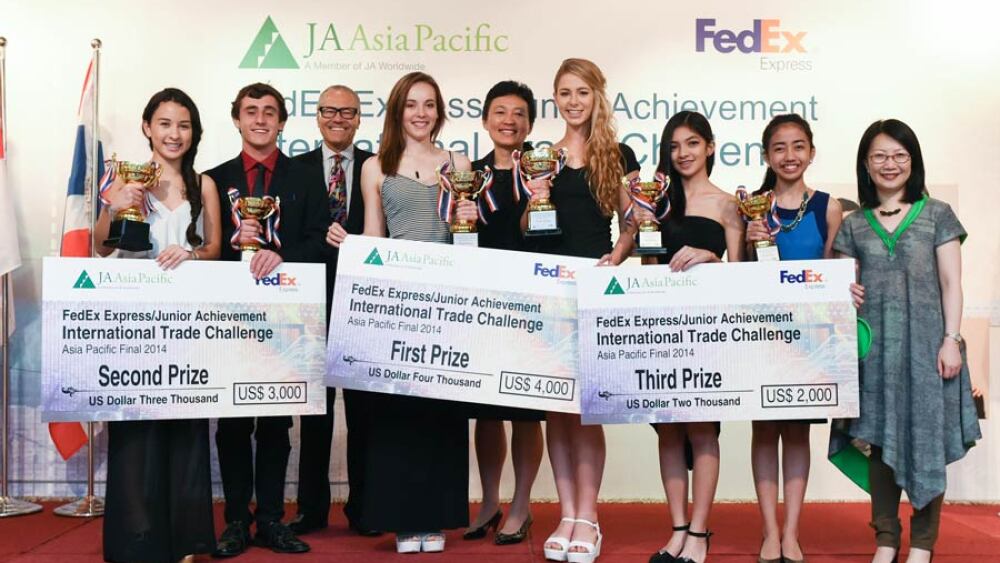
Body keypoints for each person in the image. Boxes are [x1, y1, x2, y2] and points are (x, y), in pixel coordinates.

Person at [828, 119, 980, 563]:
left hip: (929, 350)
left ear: (913, 161)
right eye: (879, 156)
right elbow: (842, 288)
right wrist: (844, 292)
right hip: (875, 353)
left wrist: (951, 339)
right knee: (878, 441)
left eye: (899, 155)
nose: (889, 164)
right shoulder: (854, 226)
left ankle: (922, 544)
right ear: (866, 164)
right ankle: (886, 539)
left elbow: (951, 284)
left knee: (927, 439)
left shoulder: (938, 215)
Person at [347, 71, 479, 554]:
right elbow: (374, 237)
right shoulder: (374, 167)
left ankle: (436, 518)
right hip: (397, 305)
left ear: (439, 111)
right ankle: (404, 520)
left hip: (448, 303)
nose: (421, 113)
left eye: (429, 104)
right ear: (397, 111)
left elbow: (467, 243)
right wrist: (353, 251)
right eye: (411, 104)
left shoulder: (458, 163)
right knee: (399, 414)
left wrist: (469, 224)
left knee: (442, 414)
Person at [95, 87, 221, 563]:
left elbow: (215, 249)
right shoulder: (122, 177)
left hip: (188, 325)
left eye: (183, 125)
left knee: (186, 431)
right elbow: (100, 247)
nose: (174, 134)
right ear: (147, 127)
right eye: (165, 123)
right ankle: (137, 542)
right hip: (134, 325)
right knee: (136, 433)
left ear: (194, 133)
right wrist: (114, 205)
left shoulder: (204, 184)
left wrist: (191, 254)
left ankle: (186, 542)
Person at [206, 82, 327, 557]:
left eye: (269, 112)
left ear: (282, 122)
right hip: (231, 321)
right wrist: (231, 249)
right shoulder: (214, 179)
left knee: (277, 424)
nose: (260, 119)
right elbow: (206, 250)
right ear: (236, 119)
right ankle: (236, 521)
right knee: (233, 425)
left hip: (285, 320)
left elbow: (320, 240)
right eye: (251, 111)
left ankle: (272, 520)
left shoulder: (305, 178)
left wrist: (283, 256)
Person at [532, 58, 640, 563]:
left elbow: (634, 222)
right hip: (551, 292)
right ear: (555, 98)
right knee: (556, 408)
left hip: (594, 293)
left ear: (597, 95)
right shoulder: (542, 157)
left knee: (585, 410)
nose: (573, 102)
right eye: (565, 93)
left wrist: (614, 259)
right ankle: (566, 513)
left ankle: (589, 517)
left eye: (582, 92)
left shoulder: (618, 155)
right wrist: (534, 197)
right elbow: (530, 229)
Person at [639, 111, 744, 563]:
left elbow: (741, 275)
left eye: (693, 143)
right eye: (674, 146)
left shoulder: (728, 204)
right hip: (659, 327)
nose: (683, 153)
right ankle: (678, 529)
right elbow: (647, 266)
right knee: (666, 430)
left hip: (706, 330)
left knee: (702, 430)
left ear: (710, 146)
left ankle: (700, 532)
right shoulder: (655, 202)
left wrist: (712, 259)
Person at [745, 114, 843, 563]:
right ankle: (769, 531)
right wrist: (750, 243)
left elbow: (833, 273)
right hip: (760, 335)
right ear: (767, 155)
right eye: (780, 147)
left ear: (811, 152)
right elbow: (736, 277)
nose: (789, 156)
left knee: (798, 433)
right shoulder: (751, 206)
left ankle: (791, 533)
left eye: (798, 146)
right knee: (765, 432)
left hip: (808, 340)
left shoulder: (827, 207)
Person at [287, 84, 378, 537]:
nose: (338, 118)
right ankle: (311, 509)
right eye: (329, 110)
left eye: (348, 112)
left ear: (359, 118)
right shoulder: (296, 169)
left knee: (364, 414)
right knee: (315, 414)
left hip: (364, 306)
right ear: (317, 116)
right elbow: (288, 239)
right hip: (312, 302)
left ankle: (365, 508)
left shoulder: (378, 166)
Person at [463, 80, 544, 546]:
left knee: (525, 411)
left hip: (531, 305)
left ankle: (522, 504)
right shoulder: (467, 176)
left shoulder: (544, 171)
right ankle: (489, 500)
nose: (509, 121)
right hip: (481, 306)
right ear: (485, 119)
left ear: (529, 123)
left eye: (518, 113)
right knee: (486, 412)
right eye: (500, 111)